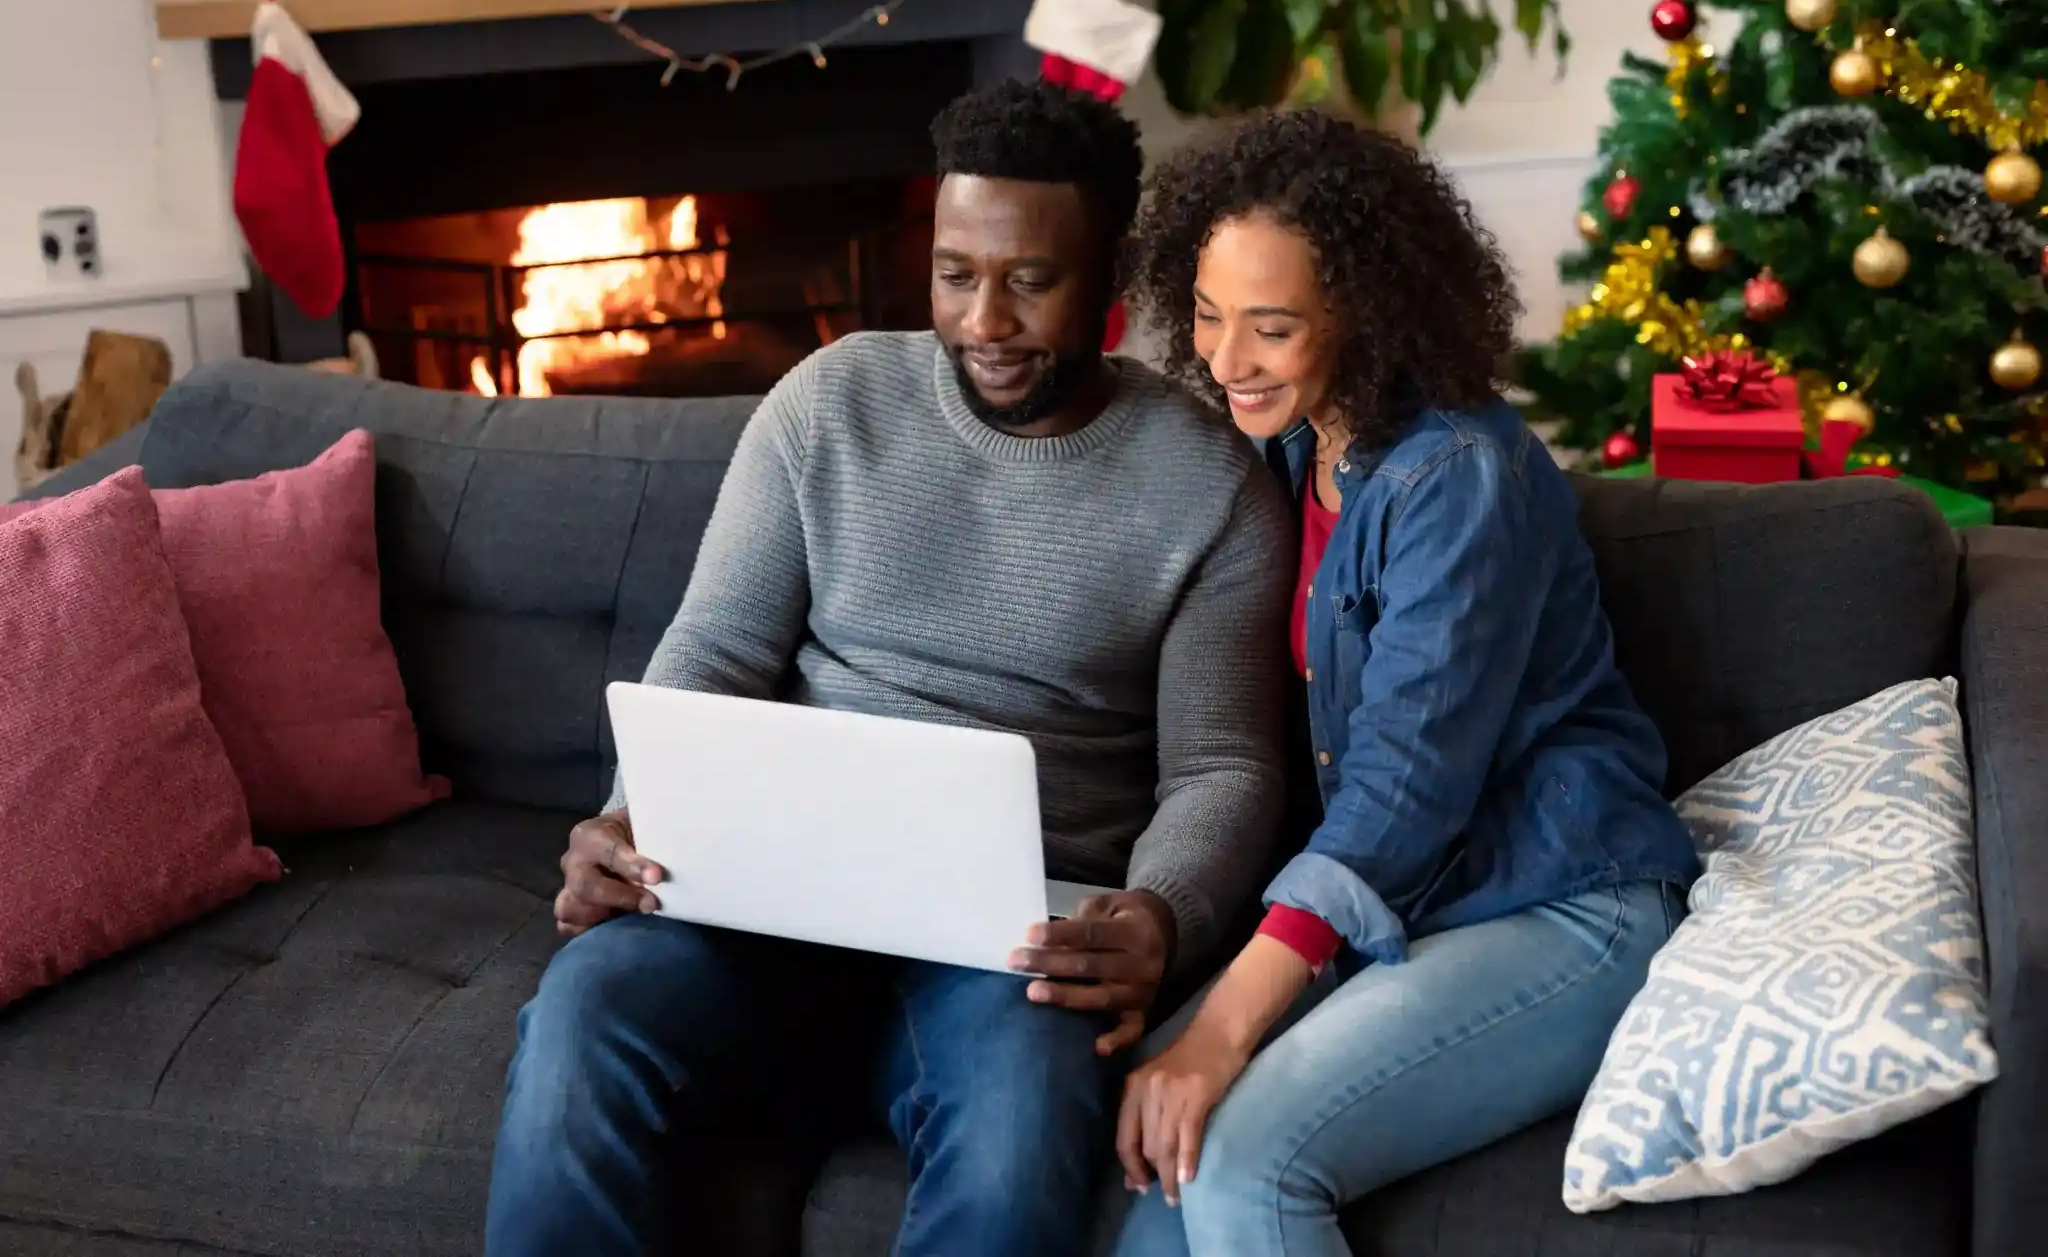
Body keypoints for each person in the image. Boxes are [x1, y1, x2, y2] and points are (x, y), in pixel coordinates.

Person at [483, 79, 1294, 1257]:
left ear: (1110, 278)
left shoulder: (1206, 480)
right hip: (762, 896)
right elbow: (712, 650)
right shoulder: (831, 400)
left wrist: (1160, 914)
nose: (983, 320)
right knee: (581, 1017)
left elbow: (1220, 764)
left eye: (1028, 280)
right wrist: (626, 815)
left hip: (1012, 942)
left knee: (1018, 1145)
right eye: (955, 273)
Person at [1110, 109, 1704, 1257]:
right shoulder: (1283, 449)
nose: (1225, 361)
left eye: (1270, 329)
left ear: (1365, 317)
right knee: (1148, 1157)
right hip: (1410, 913)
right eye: (1205, 314)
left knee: (1238, 1161)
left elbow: (1401, 789)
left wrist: (1221, 1031)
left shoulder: (1457, 479)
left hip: (1558, 905)